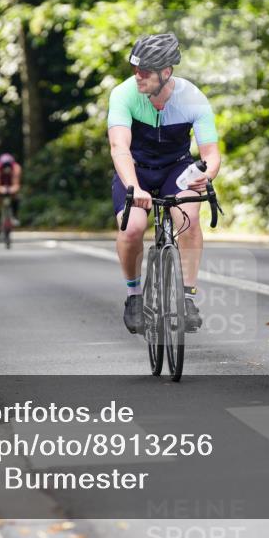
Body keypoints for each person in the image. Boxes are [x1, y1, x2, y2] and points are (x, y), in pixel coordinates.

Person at [107, 33, 221, 335]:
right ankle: (134, 296)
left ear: (166, 72)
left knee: (189, 217)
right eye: (135, 69)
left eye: (145, 71)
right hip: (136, 169)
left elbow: (210, 154)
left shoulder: (192, 97)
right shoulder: (124, 94)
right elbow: (119, 147)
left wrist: (207, 176)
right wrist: (134, 187)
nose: (137, 75)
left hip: (176, 167)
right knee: (132, 227)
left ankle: (187, 298)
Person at [0, 153, 22, 229]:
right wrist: (1, 189)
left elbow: (16, 185)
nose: (6, 169)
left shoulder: (16, 168)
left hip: (11, 187)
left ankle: (15, 216)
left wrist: (11, 189)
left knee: (16, 196)